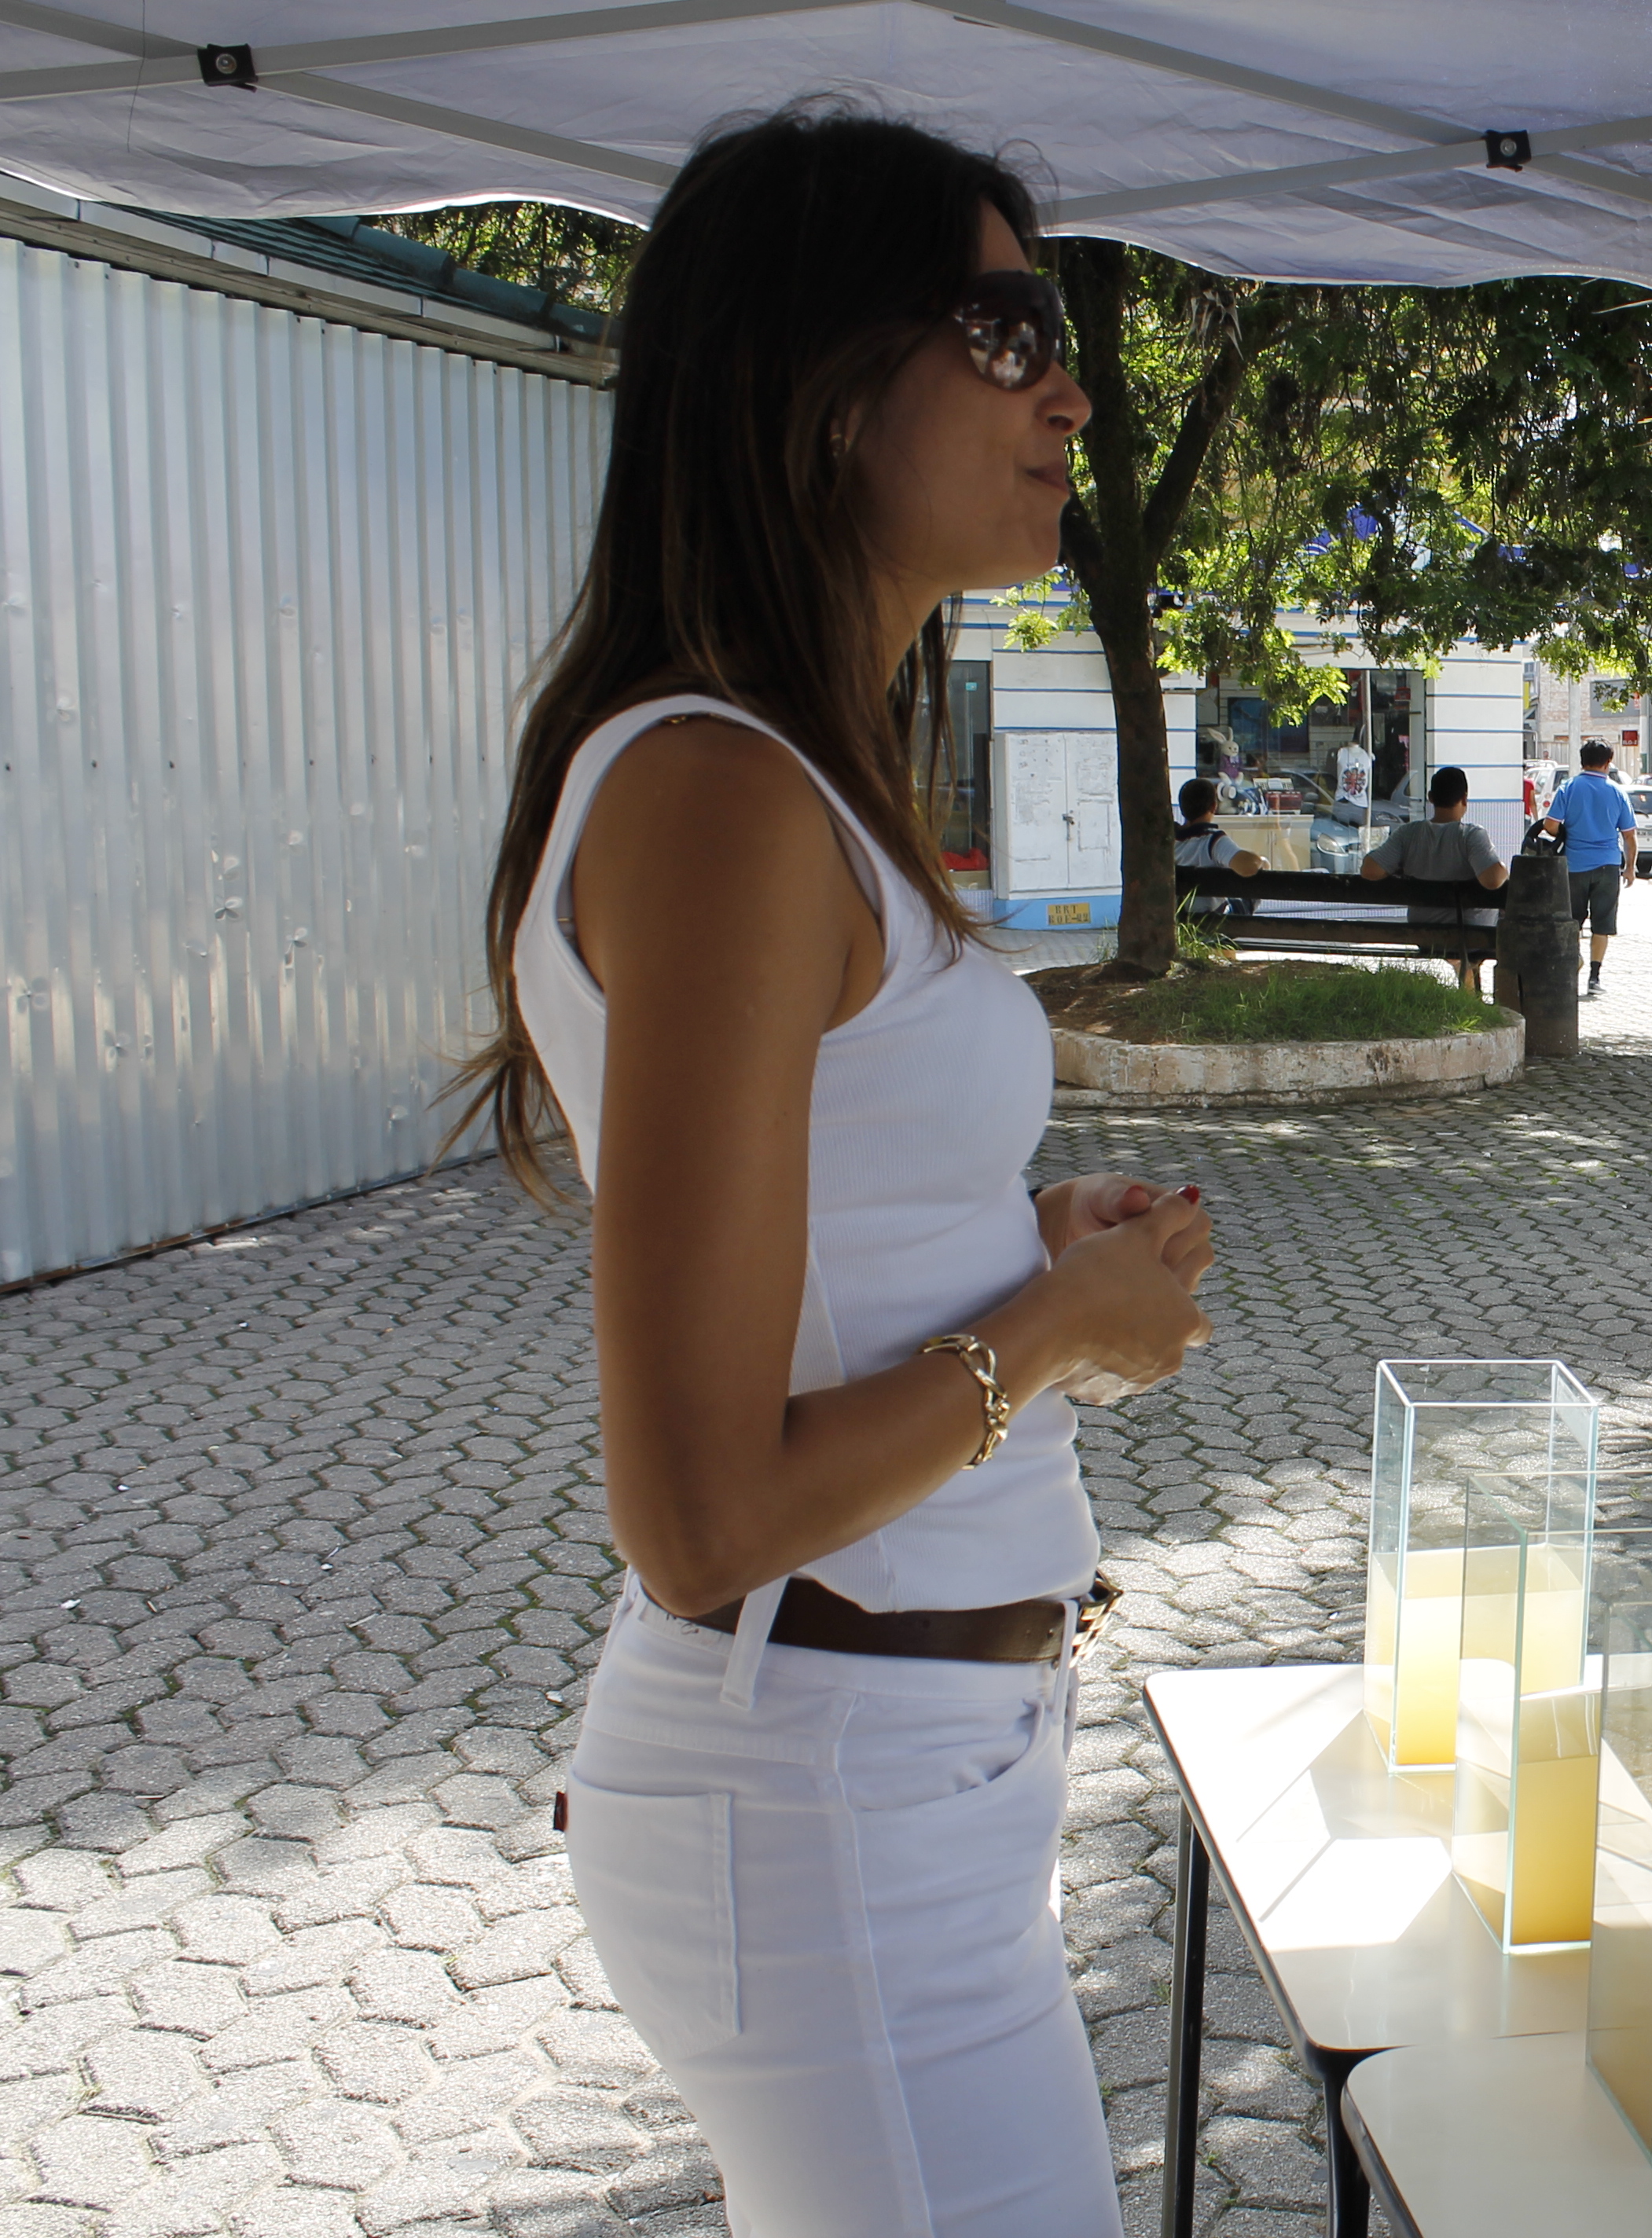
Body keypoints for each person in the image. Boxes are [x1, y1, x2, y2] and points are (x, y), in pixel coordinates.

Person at [443, 105, 1218, 2236]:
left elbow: (827, 1241)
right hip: (825, 1785)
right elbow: (696, 1518)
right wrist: (1057, 1325)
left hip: (901, 1780)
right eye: (1006, 326)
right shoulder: (720, 789)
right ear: (818, 373)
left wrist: (1009, 1246)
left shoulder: (789, 773)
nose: (1070, 387)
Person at [1361, 764, 1509, 991]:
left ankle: (1467, 983)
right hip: (1471, 936)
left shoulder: (1408, 834)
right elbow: (1493, 880)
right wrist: (1503, 869)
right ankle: (1473, 991)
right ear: (1465, 799)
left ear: (1430, 798)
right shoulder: (1470, 835)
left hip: (1423, 932)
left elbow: (1369, 870)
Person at [1540, 739, 1638, 996]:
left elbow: (1550, 826)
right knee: (1602, 924)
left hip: (1574, 867)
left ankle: (1572, 964)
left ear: (1583, 761)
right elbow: (1629, 836)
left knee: (1572, 921)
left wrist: (1567, 831)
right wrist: (1630, 868)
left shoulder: (1569, 787)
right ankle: (1595, 978)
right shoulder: (1617, 792)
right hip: (1608, 865)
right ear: (1608, 761)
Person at [1175, 775, 1264, 920]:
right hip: (1213, 924)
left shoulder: (1170, 841)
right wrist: (1261, 861)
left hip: (1182, 923)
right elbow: (1249, 866)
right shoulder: (1212, 841)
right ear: (1214, 806)